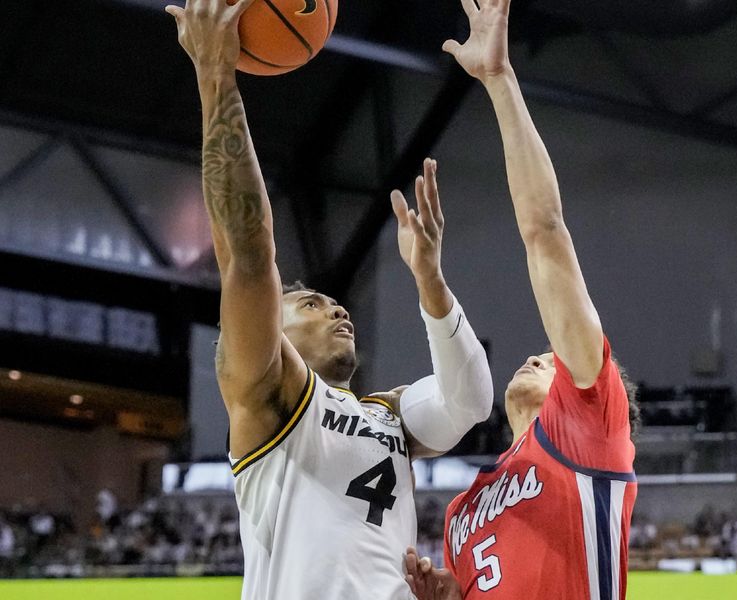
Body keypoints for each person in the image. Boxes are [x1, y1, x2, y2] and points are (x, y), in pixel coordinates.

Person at [164, 2, 493, 598]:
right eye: (310, 303)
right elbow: (246, 255)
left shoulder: (387, 415)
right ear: (272, 328)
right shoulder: (268, 394)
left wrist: (430, 282)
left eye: (332, 302)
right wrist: (216, 79)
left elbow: (468, 401)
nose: (336, 308)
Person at [406, 0, 639, 598]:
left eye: (550, 356)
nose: (536, 358)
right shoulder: (461, 511)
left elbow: (545, 234)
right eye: (537, 354)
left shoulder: (586, 421)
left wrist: (500, 81)